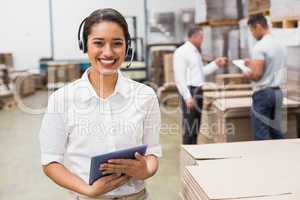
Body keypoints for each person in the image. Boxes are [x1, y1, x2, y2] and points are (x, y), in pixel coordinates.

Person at [39, 8, 161, 200]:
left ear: (127, 47)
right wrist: (87, 190)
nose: (108, 52)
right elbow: (50, 162)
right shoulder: (62, 99)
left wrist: (145, 169)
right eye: (98, 43)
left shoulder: (145, 95)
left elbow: (153, 153)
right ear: (84, 45)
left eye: (117, 43)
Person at [173, 25, 227, 145]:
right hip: (190, 92)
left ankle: (193, 153)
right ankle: (187, 157)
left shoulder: (195, 52)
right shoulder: (182, 52)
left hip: (198, 91)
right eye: (202, 37)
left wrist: (216, 64)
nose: (203, 40)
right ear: (195, 37)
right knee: (189, 129)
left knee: (196, 128)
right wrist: (187, 97)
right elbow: (179, 77)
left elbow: (200, 73)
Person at [244, 14, 287, 140]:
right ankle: (280, 159)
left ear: (257, 27)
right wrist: (252, 63)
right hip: (278, 93)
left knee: (261, 135)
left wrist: (248, 73)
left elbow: (257, 75)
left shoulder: (260, 47)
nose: (252, 34)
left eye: (252, 30)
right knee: (276, 132)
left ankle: (263, 159)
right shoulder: (280, 44)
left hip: (263, 94)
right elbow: (271, 64)